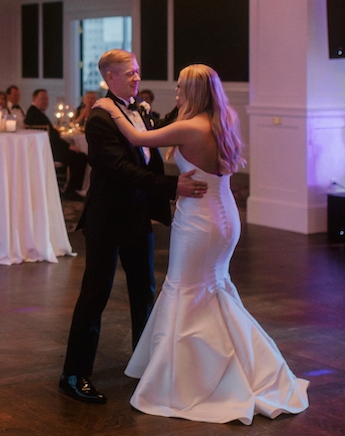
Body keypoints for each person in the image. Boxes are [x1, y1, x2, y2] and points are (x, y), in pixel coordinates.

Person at [94, 64, 309, 424]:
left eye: (179, 88)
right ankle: (240, 365)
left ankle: (188, 380)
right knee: (213, 288)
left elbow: (135, 139)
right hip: (224, 213)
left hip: (199, 221)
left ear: (192, 92)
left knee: (186, 290)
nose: (175, 93)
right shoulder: (222, 119)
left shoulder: (189, 126)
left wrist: (110, 107)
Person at [59, 50, 207, 405]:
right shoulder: (99, 120)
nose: (137, 79)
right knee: (96, 294)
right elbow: (121, 170)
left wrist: (192, 93)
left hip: (137, 217)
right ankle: (74, 374)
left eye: (138, 72)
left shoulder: (139, 110)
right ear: (110, 77)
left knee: (145, 293)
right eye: (130, 74)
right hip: (106, 218)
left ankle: (146, 366)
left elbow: (163, 128)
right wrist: (174, 187)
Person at [25, 89, 87, 201]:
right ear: (34, 99)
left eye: (47, 98)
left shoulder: (34, 112)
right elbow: (52, 138)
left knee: (79, 156)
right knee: (81, 158)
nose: (45, 101)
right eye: (42, 98)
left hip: (47, 149)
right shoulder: (36, 114)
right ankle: (71, 191)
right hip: (49, 151)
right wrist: (69, 146)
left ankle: (69, 189)